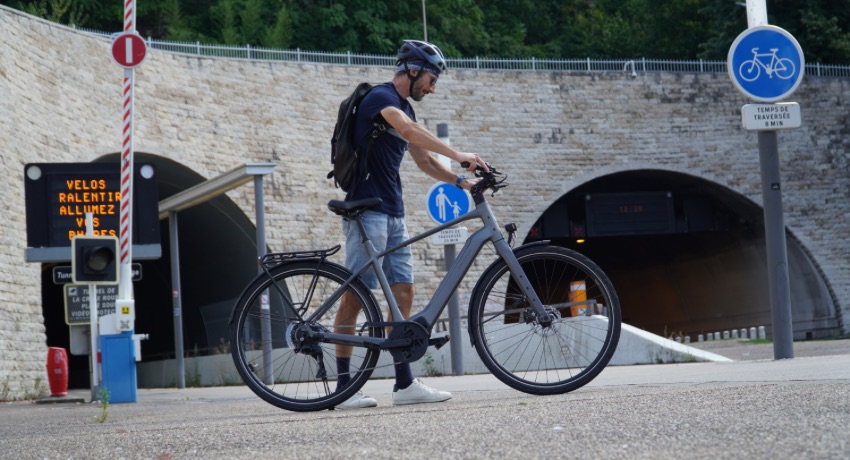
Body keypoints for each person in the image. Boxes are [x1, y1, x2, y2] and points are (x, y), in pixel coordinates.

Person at [334, 40, 488, 409]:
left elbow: (424, 162)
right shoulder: (380, 98)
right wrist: (459, 154)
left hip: (393, 211)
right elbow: (406, 130)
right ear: (413, 69)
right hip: (366, 210)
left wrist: (462, 182)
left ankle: (404, 385)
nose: (432, 89)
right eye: (431, 80)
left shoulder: (405, 108)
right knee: (357, 295)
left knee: (402, 293)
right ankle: (342, 387)